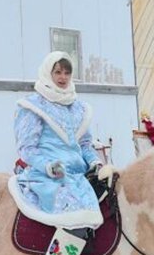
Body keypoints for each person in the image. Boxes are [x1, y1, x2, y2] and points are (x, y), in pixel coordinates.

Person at [14, 51, 110, 222]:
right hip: (48, 177)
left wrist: (95, 161)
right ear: (47, 73)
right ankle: (57, 250)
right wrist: (48, 166)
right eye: (58, 72)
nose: (63, 77)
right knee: (71, 215)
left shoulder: (79, 108)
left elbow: (85, 145)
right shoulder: (33, 106)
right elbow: (27, 148)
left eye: (67, 73)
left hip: (78, 176)